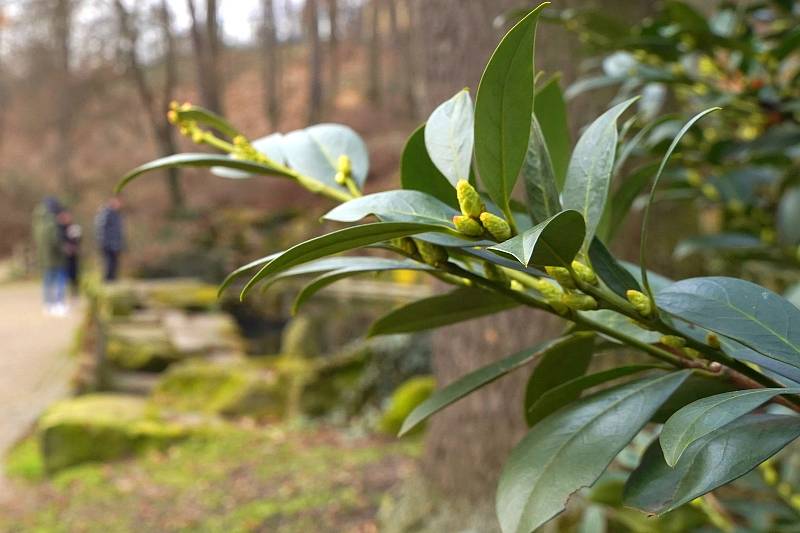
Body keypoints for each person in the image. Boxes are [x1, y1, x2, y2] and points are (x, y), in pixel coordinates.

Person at [32, 197, 68, 315]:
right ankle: (59, 303)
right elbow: (55, 241)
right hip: (56, 258)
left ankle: (48, 304)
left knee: (47, 281)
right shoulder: (52, 221)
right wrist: (64, 248)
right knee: (59, 280)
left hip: (44, 257)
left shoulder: (38, 220)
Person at [95, 196, 125, 282]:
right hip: (108, 244)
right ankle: (107, 281)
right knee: (108, 263)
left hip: (115, 244)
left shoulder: (116, 214)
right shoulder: (106, 213)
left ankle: (112, 280)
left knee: (114, 264)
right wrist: (104, 242)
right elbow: (101, 229)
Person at [58, 209, 82, 297]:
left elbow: (78, 240)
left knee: (74, 275)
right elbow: (58, 241)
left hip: (74, 255)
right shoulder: (60, 228)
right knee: (63, 275)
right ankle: (62, 293)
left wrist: (74, 248)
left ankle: (74, 292)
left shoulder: (74, 227)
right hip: (64, 257)